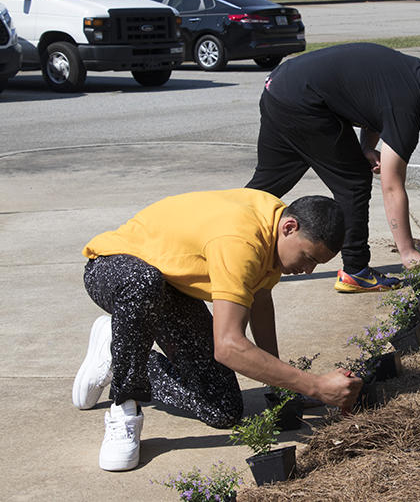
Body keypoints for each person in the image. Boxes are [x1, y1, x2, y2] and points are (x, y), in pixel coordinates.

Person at [72, 191, 362, 472]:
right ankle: (125, 408)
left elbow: (260, 301)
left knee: (222, 408)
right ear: (289, 227)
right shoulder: (241, 241)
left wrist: (284, 386)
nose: (309, 270)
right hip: (113, 265)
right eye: (308, 257)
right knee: (143, 283)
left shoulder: (276, 226)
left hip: (171, 286)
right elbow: (228, 346)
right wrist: (314, 385)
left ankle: (118, 348)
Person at [245, 42, 420, 292]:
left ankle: (223, 230)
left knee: (270, 181)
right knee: (355, 181)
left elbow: (373, 105)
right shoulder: (407, 109)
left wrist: (367, 147)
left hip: (280, 85)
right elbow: (392, 186)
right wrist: (407, 252)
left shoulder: (419, 72)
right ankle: (355, 270)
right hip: (304, 102)